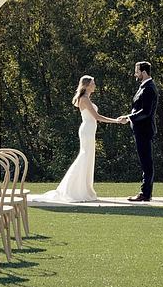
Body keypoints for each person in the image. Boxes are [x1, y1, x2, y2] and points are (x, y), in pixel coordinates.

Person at [38, 75, 123, 203]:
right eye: (93, 83)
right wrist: (116, 121)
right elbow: (97, 117)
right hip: (87, 130)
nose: (94, 85)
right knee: (84, 158)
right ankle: (75, 190)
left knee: (87, 159)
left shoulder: (86, 98)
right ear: (87, 85)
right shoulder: (84, 99)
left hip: (89, 130)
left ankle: (84, 189)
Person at [117, 61, 159, 202]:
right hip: (140, 130)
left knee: (146, 162)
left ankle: (145, 193)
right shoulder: (144, 87)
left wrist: (128, 118)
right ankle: (145, 192)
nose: (135, 73)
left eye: (137, 71)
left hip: (144, 130)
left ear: (144, 72)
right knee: (144, 161)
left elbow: (146, 112)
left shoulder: (149, 88)